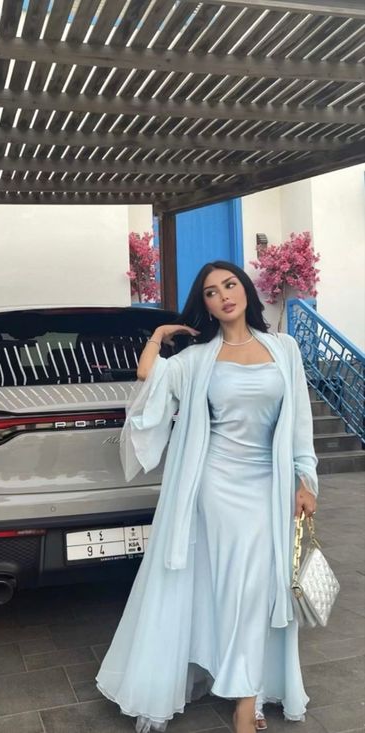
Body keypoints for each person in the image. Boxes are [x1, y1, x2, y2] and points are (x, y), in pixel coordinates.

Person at [96, 261, 318, 733]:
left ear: (246, 290)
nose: (224, 296)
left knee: (257, 591)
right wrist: (159, 335)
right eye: (212, 292)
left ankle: (247, 687)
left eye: (230, 285)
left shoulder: (285, 349)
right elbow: (148, 376)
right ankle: (245, 703)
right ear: (208, 306)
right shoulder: (198, 359)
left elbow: (300, 422)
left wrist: (306, 479)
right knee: (239, 589)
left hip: (270, 486)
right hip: (216, 486)